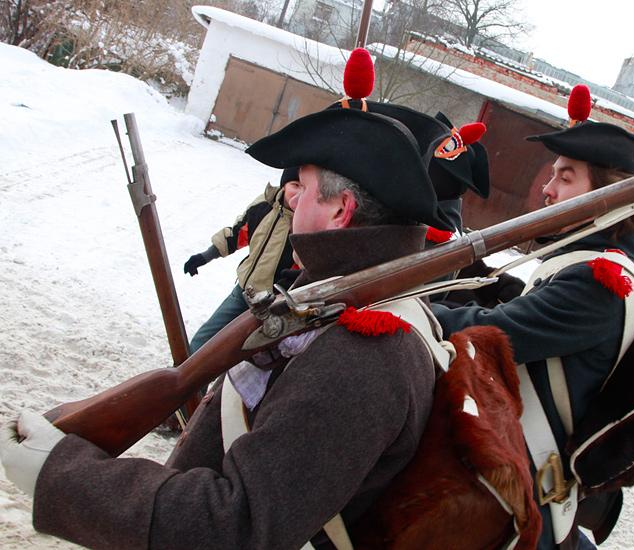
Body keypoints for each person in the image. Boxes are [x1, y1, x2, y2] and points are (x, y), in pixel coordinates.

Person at [0, 105, 456, 549]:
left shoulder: (365, 352)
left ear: (341, 211)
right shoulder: (334, 302)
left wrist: (63, 476)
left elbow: (233, 528)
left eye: (305, 187)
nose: (290, 197)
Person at [430, 93, 634, 548]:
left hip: (527, 507)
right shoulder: (584, 266)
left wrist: (413, 312)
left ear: (604, 197)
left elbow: (490, 333)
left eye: (565, 177)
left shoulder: (600, 281)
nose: (548, 189)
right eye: (553, 175)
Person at [182, 166, 301, 354]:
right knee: (202, 344)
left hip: (275, 306)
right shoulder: (263, 206)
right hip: (244, 292)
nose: (299, 194)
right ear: (284, 185)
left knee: (245, 358)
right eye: (295, 185)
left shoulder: (308, 222)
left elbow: (304, 266)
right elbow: (238, 233)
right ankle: (187, 383)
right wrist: (204, 257)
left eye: (306, 188)